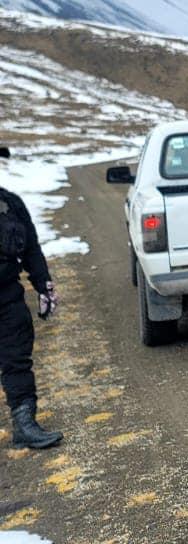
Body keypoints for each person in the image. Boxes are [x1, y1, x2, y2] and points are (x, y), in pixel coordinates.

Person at [0, 147, 64, 450]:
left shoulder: (10, 205)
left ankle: (25, 424)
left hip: (7, 298)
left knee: (17, 360)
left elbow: (32, 251)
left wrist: (44, 287)